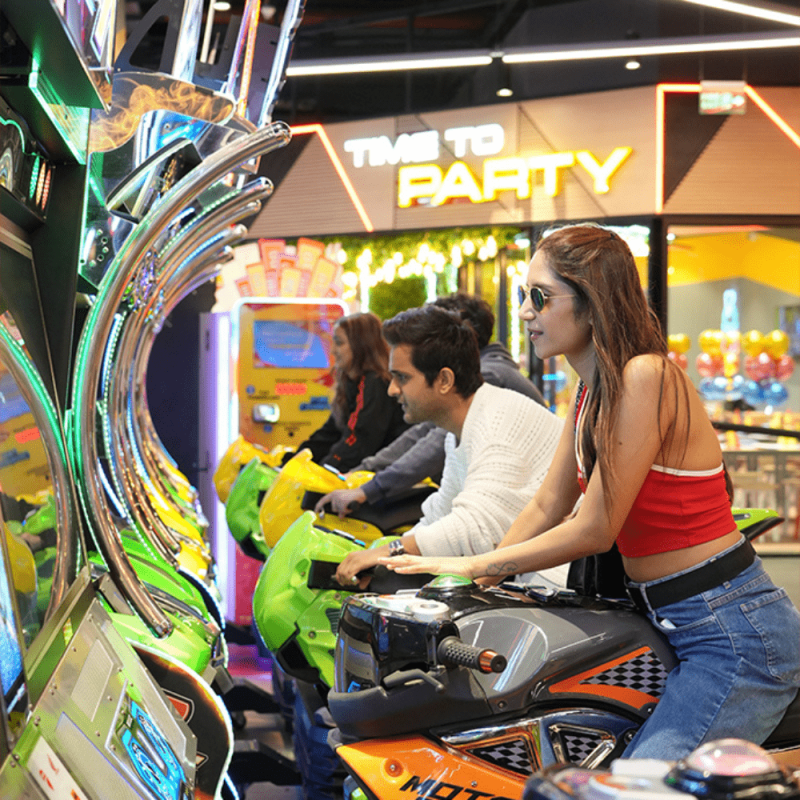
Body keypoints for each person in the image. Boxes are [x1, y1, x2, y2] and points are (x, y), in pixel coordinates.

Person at [382, 223, 800, 760]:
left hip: (730, 633)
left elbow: (595, 527)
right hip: (669, 620)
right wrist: (477, 581)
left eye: (540, 297)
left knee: (638, 788)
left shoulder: (645, 375)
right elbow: (548, 504)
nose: (525, 311)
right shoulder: (590, 389)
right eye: (523, 295)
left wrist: (471, 565)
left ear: (592, 301)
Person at [333, 304, 564, 588]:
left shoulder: (494, 422)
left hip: (561, 582)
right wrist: (383, 558)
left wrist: (387, 552)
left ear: (444, 380)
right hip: (533, 574)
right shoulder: (461, 429)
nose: (392, 389)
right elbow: (441, 513)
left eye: (402, 377)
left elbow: (475, 528)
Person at [316, 293, 545, 516]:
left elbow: (432, 449)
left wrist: (370, 488)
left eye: (403, 377)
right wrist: (367, 472)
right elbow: (425, 436)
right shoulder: (453, 434)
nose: (393, 390)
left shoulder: (488, 379)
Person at [288, 312, 408, 473]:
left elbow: (360, 439)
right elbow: (329, 434)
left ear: (361, 344)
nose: (333, 351)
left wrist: (325, 468)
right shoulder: (352, 382)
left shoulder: (375, 382)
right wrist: (293, 461)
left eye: (339, 343)